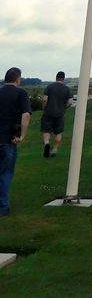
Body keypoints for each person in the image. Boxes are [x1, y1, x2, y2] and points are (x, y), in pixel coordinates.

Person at [0, 67, 32, 217]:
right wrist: (23, 135)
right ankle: (3, 207)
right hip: (8, 140)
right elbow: (25, 116)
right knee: (5, 173)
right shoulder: (21, 93)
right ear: (17, 79)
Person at [41, 71, 73, 159]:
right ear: (63, 78)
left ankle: (47, 143)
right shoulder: (66, 89)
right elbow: (70, 101)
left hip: (48, 112)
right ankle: (54, 150)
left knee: (46, 130)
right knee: (58, 132)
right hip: (60, 113)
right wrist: (65, 107)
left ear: (56, 77)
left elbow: (45, 99)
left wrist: (44, 107)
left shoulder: (49, 87)